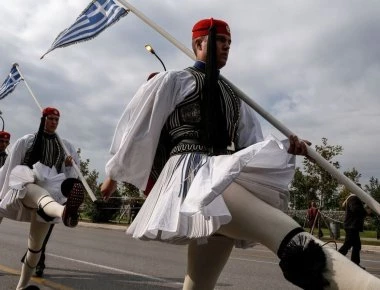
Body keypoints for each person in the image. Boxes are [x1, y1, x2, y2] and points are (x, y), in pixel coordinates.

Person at [101, 18, 380, 289]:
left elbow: (249, 149)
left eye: (229, 43)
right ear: (199, 43)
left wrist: (285, 148)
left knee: (199, 284)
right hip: (190, 176)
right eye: (220, 40)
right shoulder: (173, 80)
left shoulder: (236, 97)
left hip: (221, 173)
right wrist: (113, 175)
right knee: (290, 237)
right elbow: (138, 128)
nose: (226, 47)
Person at [0, 107, 85, 290]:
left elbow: (66, 176)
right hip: (27, 187)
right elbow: (11, 168)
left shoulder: (64, 145)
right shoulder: (27, 141)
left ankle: (21, 287)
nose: (54, 122)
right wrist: (5, 193)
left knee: (35, 247)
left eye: (56, 119)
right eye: (51, 119)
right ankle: (65, 212)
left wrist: (68, 164)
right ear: (43, 119)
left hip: (51, 195)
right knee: (40, 195)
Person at [338, 183, 371, 269]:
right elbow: (355, 209)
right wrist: (366, 212)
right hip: (351, 226)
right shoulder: (354, 198)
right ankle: (336, 260)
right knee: (348, 244)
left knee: (356, 245)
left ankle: (355, 264)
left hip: (351, 226)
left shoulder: (352, 198)